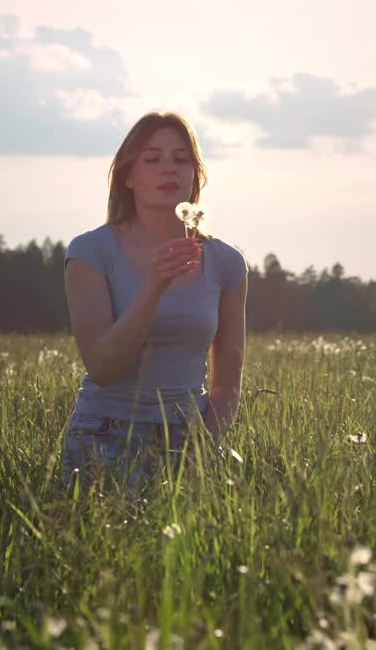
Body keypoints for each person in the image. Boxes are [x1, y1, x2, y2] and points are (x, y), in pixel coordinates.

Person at [61, 111, 248, 494]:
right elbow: (102, 367)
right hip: (103, 436)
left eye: (181, 159)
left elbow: (227, 387)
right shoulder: (91, 252)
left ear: (196, 174)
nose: (169, 170)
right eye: (152, 159)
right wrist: (153, 287)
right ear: (128, 176)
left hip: (188, 439)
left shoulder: (226, 262)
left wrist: (198, 454)